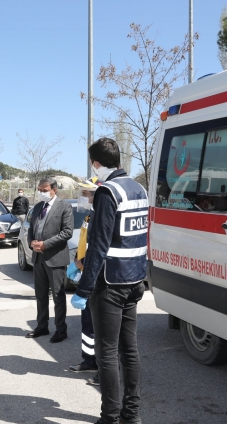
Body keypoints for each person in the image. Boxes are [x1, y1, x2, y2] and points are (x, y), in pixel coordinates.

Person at [71, 138, 148, 424]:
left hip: (109, 285)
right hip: (135, 280)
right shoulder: (139, 188)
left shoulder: (107, 191)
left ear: (96, 163)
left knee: (106, 353)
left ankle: (110, 417)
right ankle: (132, 415)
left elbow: (99, 246)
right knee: (130, 349)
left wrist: (83, 288)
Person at [26, 177, 73, 343]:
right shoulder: (38, 207)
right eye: (40, 190)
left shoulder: (64, 207)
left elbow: (67, 232)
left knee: (58, 296)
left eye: (45, 190)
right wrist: (32, 242)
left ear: (54, 190)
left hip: (55, 258)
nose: (41, 193)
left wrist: (45, 244)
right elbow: (32, 228)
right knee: (40, 295)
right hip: (38, 258)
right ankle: (42, 326)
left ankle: (61, 329)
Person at [68, 177, 101, 384]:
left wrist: (80, 265)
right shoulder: (90, 215)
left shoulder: (102, 216)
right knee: (87, 323)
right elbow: (84, 243)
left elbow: (98, 250)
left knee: (100, 326)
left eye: (86, 194)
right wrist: (77, 263)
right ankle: (89, 361)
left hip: (95, 277)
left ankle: (105, 369)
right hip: (86, 274)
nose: (83, 197)